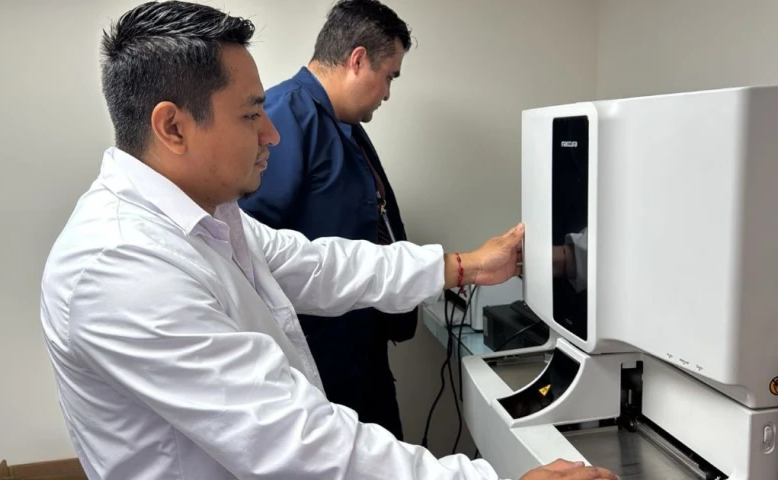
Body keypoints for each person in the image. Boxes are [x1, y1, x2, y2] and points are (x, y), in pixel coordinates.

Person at [39, 2, 618, 479]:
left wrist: (463, 266)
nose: (271, 134)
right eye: (251, 115)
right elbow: (289, 441)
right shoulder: (121, 266)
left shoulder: (209, 218)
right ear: (173, 127)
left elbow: (319, 264)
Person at [238, 0, 415, 440]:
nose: (387, 93)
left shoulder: (343, 122)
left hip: (359, 340)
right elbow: (249, 245)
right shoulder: (286, 116)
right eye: (389, 76)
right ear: (358, 60)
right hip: (319, 354)